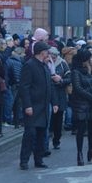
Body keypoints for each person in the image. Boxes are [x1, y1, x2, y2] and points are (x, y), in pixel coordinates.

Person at [19, 41, 58, 170]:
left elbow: (50, 86)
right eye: (47, 51)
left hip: (44, 106)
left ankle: (38, 159)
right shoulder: (29, 65)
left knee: (41, 134)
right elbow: (24, 87)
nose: (49, 54)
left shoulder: (45, 66)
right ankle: (24, 160)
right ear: (42, 52)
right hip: (33, 106)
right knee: (30, 134)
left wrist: (54, 102)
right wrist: (27, 105)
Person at [70, 48, 92, 166]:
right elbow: (78, 89)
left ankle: (91, 151)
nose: (91, 60)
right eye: (89, 58)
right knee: (81, 130)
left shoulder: (90, 71)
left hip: (91, 105)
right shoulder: (75, 72)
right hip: (80, 105)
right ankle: (79, 153)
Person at [46, 47, 70, 150]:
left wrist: (60, 80)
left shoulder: (63, 63)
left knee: (58, 118)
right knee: (48, 118)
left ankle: (57, 140)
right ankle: (46, 140)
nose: (53, 59)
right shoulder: (45, 63)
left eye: (55, 57)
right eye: (52, 57)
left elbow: (69, 78)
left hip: (60, 93)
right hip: (48, 94)